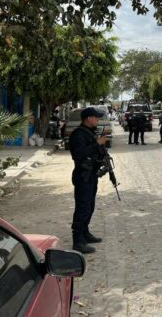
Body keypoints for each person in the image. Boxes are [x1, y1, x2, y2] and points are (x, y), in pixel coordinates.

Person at [69, 107, 107, 254]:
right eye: (95, 117)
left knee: (90, 206)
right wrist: (97, 144)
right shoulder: (78, 134)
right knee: (82, 208)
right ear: (88, 118)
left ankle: (85, 233)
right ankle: (78, 241)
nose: (97, 120)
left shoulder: (90, 133)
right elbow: (79, 154)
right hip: (82, 175)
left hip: (91, 174)